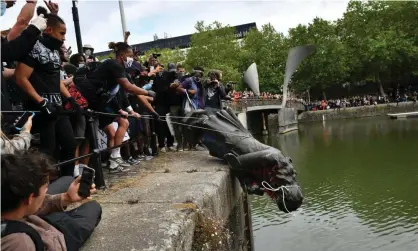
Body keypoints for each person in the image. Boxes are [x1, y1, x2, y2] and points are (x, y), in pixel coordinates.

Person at [14, 9, 80, 177]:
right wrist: (40, 101)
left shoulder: (54, 51)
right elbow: (20, 77)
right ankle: (43, 194)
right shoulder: (34, 47)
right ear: (49, 30)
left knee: (70, 144)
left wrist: (70, 98)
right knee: (47, 152)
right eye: (62, 33)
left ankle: (65, 184)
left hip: (57, 107)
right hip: (41, 110)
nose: (64, 37)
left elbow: (55, 78)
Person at [75, 41, 155, 172]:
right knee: (84, 139)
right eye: (130, 55)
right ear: (122, 55)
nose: (132, 58)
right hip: (86, 101)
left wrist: (128, 110)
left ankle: (107, 161)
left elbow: (123, 93)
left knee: (90, 138)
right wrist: (147, 92)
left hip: (98, 103)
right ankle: (82, 170)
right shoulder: (112, 64)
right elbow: (129, 88)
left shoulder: (120, 69)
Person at [1, 151, 102, 251]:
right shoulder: (21, 243)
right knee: (93, 207)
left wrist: (66, 198)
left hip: (35, 220)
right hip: (56, 238)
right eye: (46, 187)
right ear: (30, 198)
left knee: (67, 179)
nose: (47, 190)